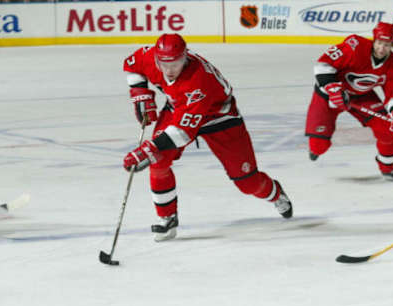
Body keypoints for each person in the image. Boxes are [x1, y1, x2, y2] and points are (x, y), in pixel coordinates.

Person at [122, 33, 293, 242]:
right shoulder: (150, 56)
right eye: (163, 64)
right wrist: (140, 92)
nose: (168, 70)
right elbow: (131, 64)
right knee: (159, 161)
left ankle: (276, 193)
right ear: (156, 57)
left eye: (175, 63)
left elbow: (183, 132)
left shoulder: (199, 80)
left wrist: (148, 148)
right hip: (179, 108)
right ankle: (167, 219)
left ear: (185, 57)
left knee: (247, 183)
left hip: (220, 119)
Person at [305, 21, 393, 181]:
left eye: (387, 45)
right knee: (319, 146)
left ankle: (388, 167)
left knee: (387, 127)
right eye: (379, 43)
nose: (382, 48)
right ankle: (316, 148)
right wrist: (333, 88)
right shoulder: (355, 46)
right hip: (329, 93)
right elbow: (323, 64)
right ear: (374, 40)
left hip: (361, 96)